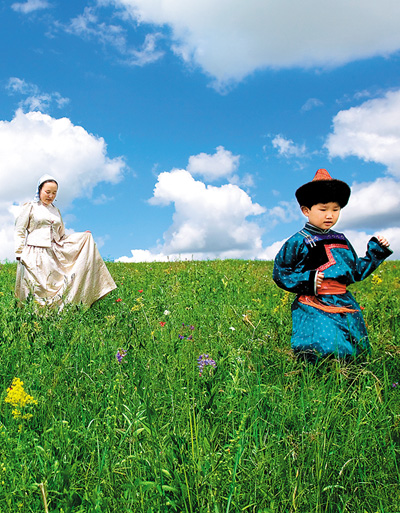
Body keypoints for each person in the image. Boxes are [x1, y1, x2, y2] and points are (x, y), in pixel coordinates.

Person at [273, 168, 392, 360]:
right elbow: (281, 273)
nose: (330, 215)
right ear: (306, 210)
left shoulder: (342, 240)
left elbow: (356, 271)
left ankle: (352, 375)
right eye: (323, 209)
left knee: (355, 348)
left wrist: (376, 251)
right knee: (323, 346)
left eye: (335, 210)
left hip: (344, 301)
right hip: (314, 303)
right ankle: (316, 376)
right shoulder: (297, 241)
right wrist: (308, 279)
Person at [15, 174, 116, 308]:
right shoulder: (30, 207)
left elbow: (62, 236)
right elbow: (19, 230)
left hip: (53, 252)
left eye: (54, 193)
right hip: (34, 252)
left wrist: (83, 237)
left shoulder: (56, 211)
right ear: (39, 190)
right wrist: (19, 253)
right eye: (47, 192)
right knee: (36, 286)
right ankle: (32, 315)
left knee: (51, 284)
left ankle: (55, 313)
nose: (51, 196)